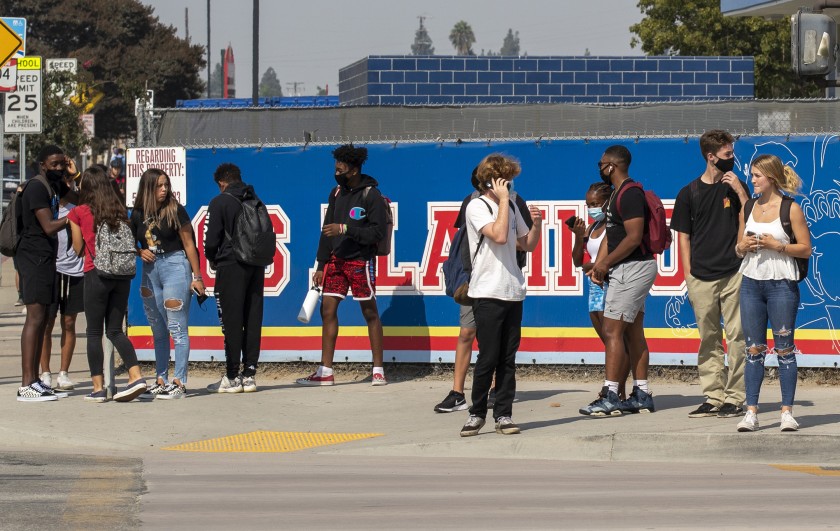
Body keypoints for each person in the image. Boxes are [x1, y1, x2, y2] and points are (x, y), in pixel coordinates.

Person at [434, 169, 533, 413]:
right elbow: (465, 240)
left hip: (503, 283)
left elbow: (522, 242)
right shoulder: (471, 202)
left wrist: (506, 202)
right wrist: (460, 273)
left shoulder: (514, 201)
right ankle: (457, 393)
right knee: (467, 332)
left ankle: (494, 393)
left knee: (497, 347)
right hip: (474, 279)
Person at [459, 154, 543, 437]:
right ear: (491, 182)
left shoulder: (511, 207)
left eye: (510, 179)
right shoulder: (476, 206)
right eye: (504, 179)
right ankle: (476, 413)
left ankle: (504, 414)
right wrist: (504, 201)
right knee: (488, 357)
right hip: (487, 291)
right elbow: (497, 235)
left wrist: (537, 225)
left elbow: (525, 244)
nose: (509, 184)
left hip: (512, 290)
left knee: (508, 358)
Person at [670, 130, 750, 419]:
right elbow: (683, 237)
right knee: (708, 338)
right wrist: (689, 274)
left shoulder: (736, 187)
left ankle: (736, 397)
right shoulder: (688, 192)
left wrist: (741, 192)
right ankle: (713, 396)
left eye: (732, 153)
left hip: (733, 272)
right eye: (728, 155)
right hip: (701, 276)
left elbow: (751, 220)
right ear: (711, 156)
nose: (732, 159)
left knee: (738, 336)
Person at [296, 145, 389, 387]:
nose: (336, 171)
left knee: (369, 312)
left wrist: (346, 229)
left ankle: (378, 369)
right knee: (327, 310)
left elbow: (377, 232)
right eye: (335, 167)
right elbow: (327, 231)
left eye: (341, 168)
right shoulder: (336, 193)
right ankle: (325, 371)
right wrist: (320, 264)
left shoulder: (372, 195)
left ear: (354, 169)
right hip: (336, 261)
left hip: (360, 260)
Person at [734, 155, 811, 432]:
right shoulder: (748, 206)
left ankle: (787, 412)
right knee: (753, 349)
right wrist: (744, 246)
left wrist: (777, 245)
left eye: (757, 176)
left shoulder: (791, 209)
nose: (752, 180)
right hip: (751, 283)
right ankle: (751, 412)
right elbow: (737, 248)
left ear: (772, 178)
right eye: (752, 175)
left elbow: (805, 248)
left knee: (784, 349)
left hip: (781, 284)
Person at [580, 145, 658, 417]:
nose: (599, 167)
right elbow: (613, 237)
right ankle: (641, 394)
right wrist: (601, 266)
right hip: (624, 269)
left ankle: (611, 394)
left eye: (602, 163)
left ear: (611, 166)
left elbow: (633, 238)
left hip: (633, 268)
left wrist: (605, 263)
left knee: (612, 331)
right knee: (633, 332)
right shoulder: (616, 195)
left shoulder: (630, 193)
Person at [68, 166, 148, 402]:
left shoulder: (79, 212)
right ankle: (136, 376)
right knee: (114, 330)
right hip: (122, 276)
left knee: (94, 331)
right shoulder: (119, 211)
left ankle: (98, 389)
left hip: (96, 274)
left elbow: (77, 249)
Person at [131, 168, 205, 399]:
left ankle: (179, 381)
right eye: (159, 186)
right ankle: (160, 378)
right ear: (148, 188)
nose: (164, 190)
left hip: (175, 265)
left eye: (166, 185)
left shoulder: (175, 209)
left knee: (177, 328)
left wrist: (198, 276)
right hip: (150, 271)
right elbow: (131, 241)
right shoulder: (137, 213)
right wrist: (140, 251)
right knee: (158, 329)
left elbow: (189, 244)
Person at [16, 146, 73, 402]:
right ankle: (26, 383)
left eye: (62, 163)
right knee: (35, 318)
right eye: (54, 164)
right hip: (33, 257)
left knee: (42, 321)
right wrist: (72, 219)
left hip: (47, 258)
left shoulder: (56, 185)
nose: (59, 168)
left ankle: (36, 380)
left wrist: (75, 174)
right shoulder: (37, 187)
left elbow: (81, 199)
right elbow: (49, 226)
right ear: (42, 165)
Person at [204, 163, 266, 393]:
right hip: (256, 264)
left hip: (230, 265)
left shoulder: (220, 202)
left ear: (222, 183)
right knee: (252, 318)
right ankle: (249, 375)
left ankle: (231, 376)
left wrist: (213, 258)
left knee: (230, 320)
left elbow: (210, 240)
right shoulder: (255, 199)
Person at [568, 182, 631, 400]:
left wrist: (592, 266)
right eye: (588, 204)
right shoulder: (592, 229)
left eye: (595, 204)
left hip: (612, 284)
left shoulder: (614, 226)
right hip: (594, 288)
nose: (592, 208)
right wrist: (578, 236)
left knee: (617, 340)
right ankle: (616, 389)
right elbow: (579, 261)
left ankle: (616, 391)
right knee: (608, 342)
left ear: (607, 203)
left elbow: (602, 261)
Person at [39, 169, 84, 392]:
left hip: (75, 272)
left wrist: (76, 175)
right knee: (46, 323)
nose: (68, 184)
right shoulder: (49, 208)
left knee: (69, 322)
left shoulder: (78, 207)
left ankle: (63, 373)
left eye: (71, 181)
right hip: (52, 271)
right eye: (64, 180)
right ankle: (45, 372)